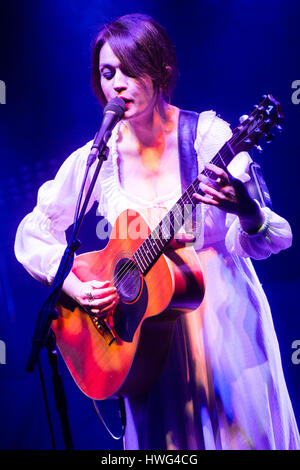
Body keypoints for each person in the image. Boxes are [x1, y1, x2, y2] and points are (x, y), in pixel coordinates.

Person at [14, 13, 299, 450]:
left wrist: (244, 208)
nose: (118, 85)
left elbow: (266, 237)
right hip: (145, 338)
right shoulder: (99, 156)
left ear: (162, 71)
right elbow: (34, 232)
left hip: (222, 326)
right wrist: (74, 285)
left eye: (130, 70)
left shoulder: (207, 136)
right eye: (107, 73)